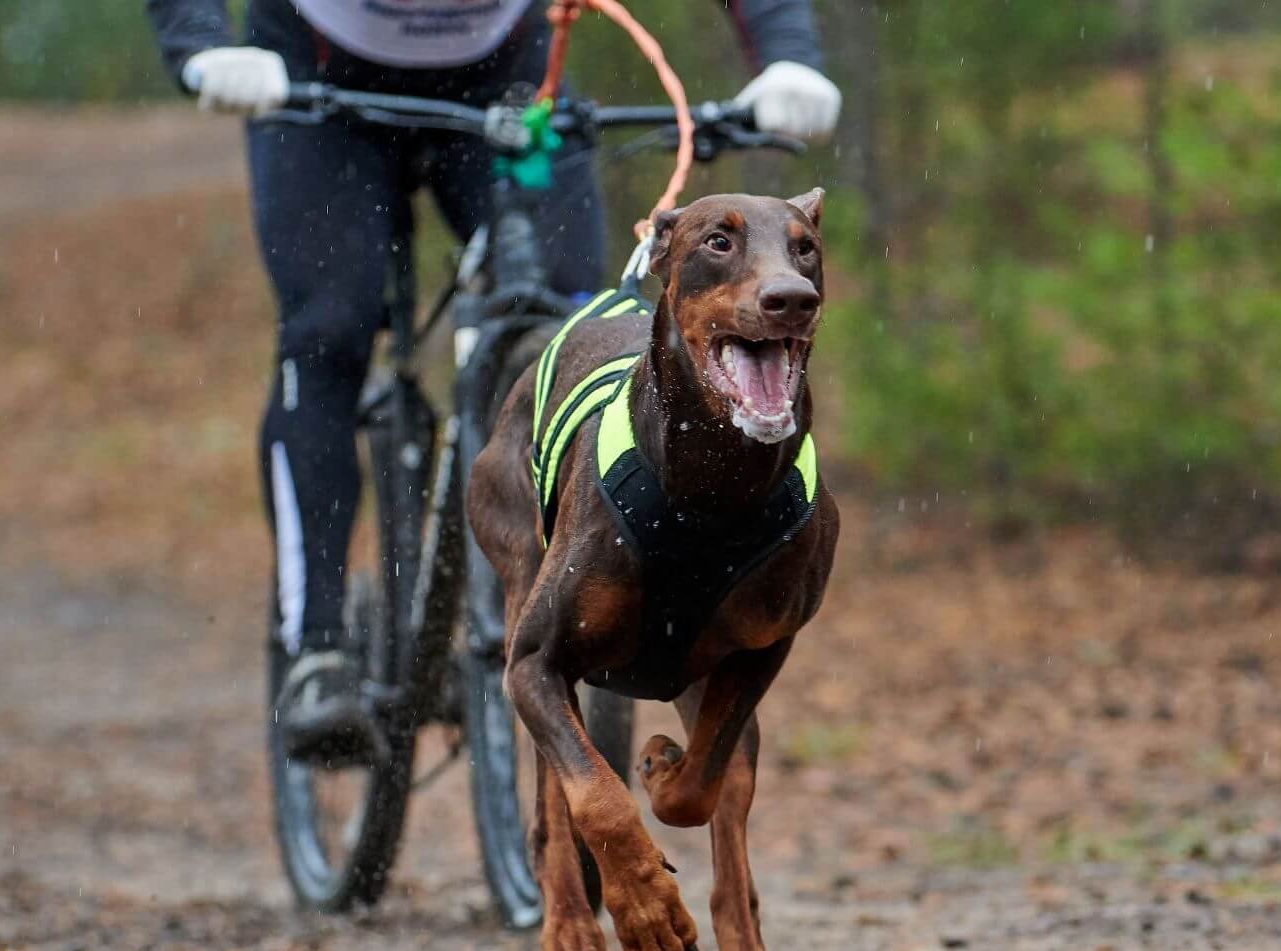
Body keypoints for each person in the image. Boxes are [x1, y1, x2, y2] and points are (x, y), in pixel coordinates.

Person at [145, 0, 841, 758]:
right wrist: (199, 43)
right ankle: (316, 645)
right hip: (315, 69)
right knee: (327, 332)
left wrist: (790, 53)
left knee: (581, 323)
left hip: (506, 70)